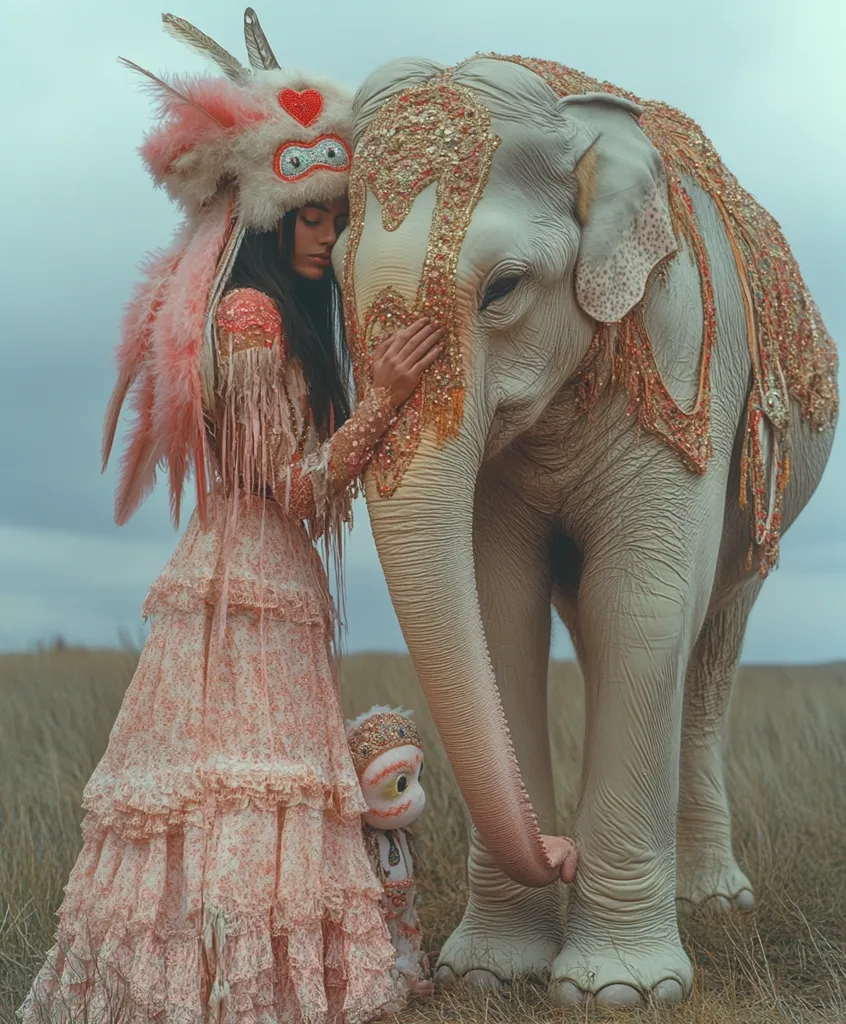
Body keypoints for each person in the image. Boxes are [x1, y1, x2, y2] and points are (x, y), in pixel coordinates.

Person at [19, 10, 442, 1024]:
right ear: (266, 215)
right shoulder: (251, 320)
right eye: (313, 217)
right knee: (236, 785)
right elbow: (291, 485)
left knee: (266, 786)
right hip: (246, 578)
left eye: (337, 216)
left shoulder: (294, 321)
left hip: (276, 577)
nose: (329, 235)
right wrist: (381, 400)